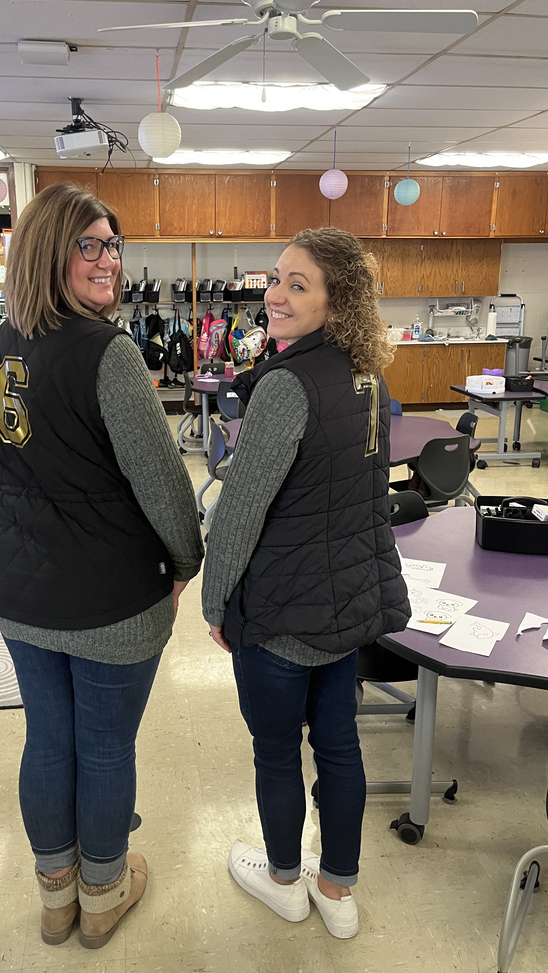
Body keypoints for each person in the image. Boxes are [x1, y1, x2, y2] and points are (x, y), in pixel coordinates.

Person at [0, 183, 203, 950]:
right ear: (51, 251)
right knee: (102, 748)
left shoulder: (0, 346)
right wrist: (184, 561)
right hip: (108, 596)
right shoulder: (110, 354)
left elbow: (0, 464)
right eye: (90, 245)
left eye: (113, 244)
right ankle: (102, 892)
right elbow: (166, 485)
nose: (109, 260)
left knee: (47, 739)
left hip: (17, 585)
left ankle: (55, 896)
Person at [202, 227, 410, 940]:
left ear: (337, 300)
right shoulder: (366, 375)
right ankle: (338, 890)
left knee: (275, 751)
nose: (276, 295)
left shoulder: (287, 387)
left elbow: (237, 513)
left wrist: (214, 600)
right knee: (340, 744)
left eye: (298, 284)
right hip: (345, 602)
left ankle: (286, 881)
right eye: (277, 278)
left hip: (284, 612)